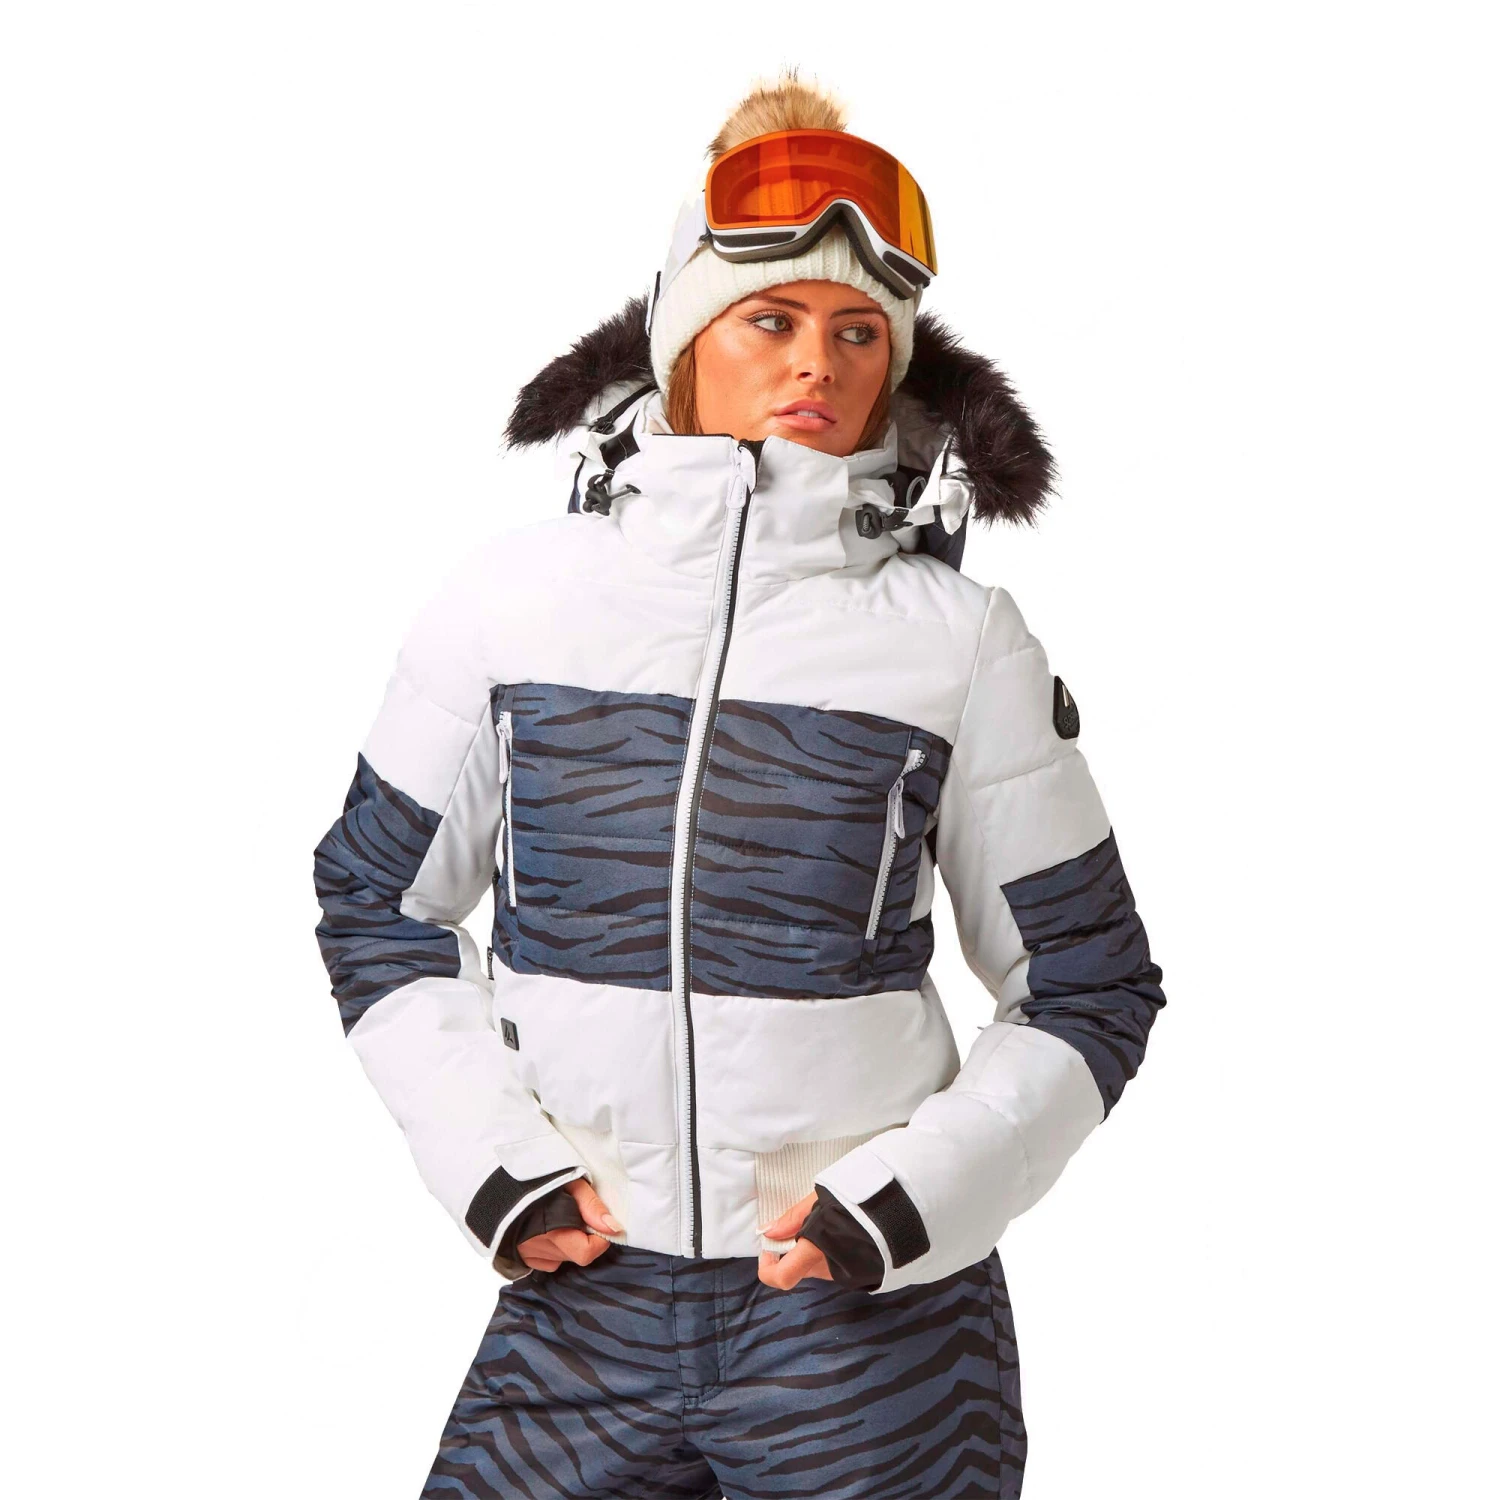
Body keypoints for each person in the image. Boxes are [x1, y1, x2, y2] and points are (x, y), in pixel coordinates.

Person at [313, 69, 1165, 1500]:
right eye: (771, 321)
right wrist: (495, 1169)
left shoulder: (962, 644)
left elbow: (1088, 982)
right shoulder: (511, 606)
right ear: (681, 341)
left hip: (870, 1334)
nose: (816, 363)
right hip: (584, 1301)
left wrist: (903, 1207)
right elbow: (374, 905)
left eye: (856, 332)